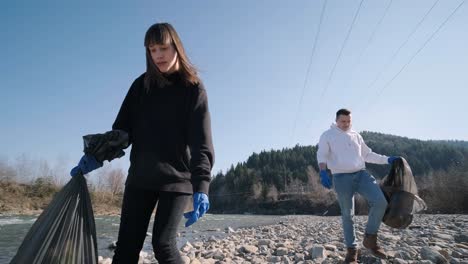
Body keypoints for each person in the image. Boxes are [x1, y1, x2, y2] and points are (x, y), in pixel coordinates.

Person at [110, 22, 215, 264]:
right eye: (152, 50)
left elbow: (201, 142)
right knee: (126, 247)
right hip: (141, 178)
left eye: (163, 48)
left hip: (176, 180)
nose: (157, 55)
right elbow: (121, 130)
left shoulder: (193, 88)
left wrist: (202, 185)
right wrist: (97, 153)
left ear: (176, 46)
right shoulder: (141, 85)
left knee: (163, 245)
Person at [316, 108, 399, 263]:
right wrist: (323, 171)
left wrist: (387, 159)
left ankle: (370, 239)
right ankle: (352, 250)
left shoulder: (356, 135)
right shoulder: (327, 135)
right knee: (348, 214)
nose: (346, 124)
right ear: (336, 120)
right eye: (342, 121)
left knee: (380, 201)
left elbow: (367, 154)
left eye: (348, 121)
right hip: (340, 177)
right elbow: (322, 154)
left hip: (361, 174)